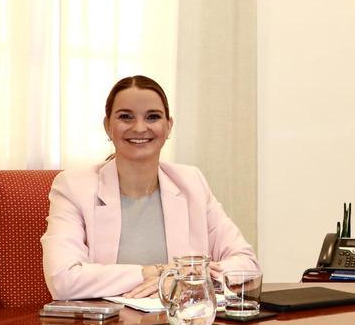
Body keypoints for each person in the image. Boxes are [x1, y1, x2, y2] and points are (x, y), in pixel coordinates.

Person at [42, 74, 258, 300]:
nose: (139, 127)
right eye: (126, 117)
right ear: (107, 126)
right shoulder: (74, 187)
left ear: (168, 126)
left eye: (152, 117)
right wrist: (158, 272)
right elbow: (63, 280)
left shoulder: (191, 182)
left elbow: (246, 262)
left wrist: (190, 276)